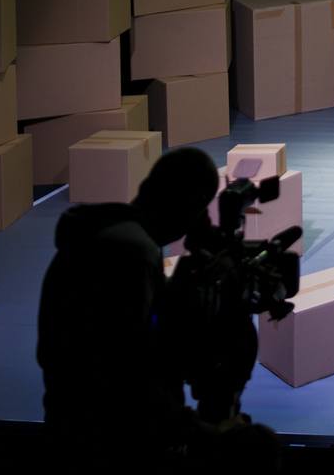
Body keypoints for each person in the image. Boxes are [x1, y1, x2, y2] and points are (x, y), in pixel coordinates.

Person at [36, 146, 256, 467]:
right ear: (190, 205)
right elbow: (127, 375)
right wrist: (203, 432)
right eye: (198, 208)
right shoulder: (131, 252)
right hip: (107, 444)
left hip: (74, 426)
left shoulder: (102, 233)